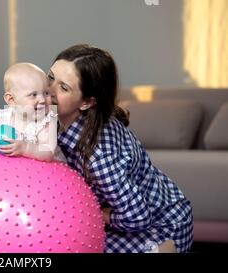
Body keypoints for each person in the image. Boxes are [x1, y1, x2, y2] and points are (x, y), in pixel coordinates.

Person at [47, 44, 193, 253]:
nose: (49, 91)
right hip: (136, 213)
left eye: (64, 87)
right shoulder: (59, 117)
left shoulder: (98, 157)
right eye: (51, 77)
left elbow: (137, 216)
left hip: (161, 226)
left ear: (87, 103)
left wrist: (90, 210)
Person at [0, 62, 65, 162]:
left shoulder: (47, 121)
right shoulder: (1, 118)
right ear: (11, 100)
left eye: (46, 93)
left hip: (45, 172)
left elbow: (49, 152)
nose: (42, 100)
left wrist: (26, 148)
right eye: (33, 95)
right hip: (12, 170)